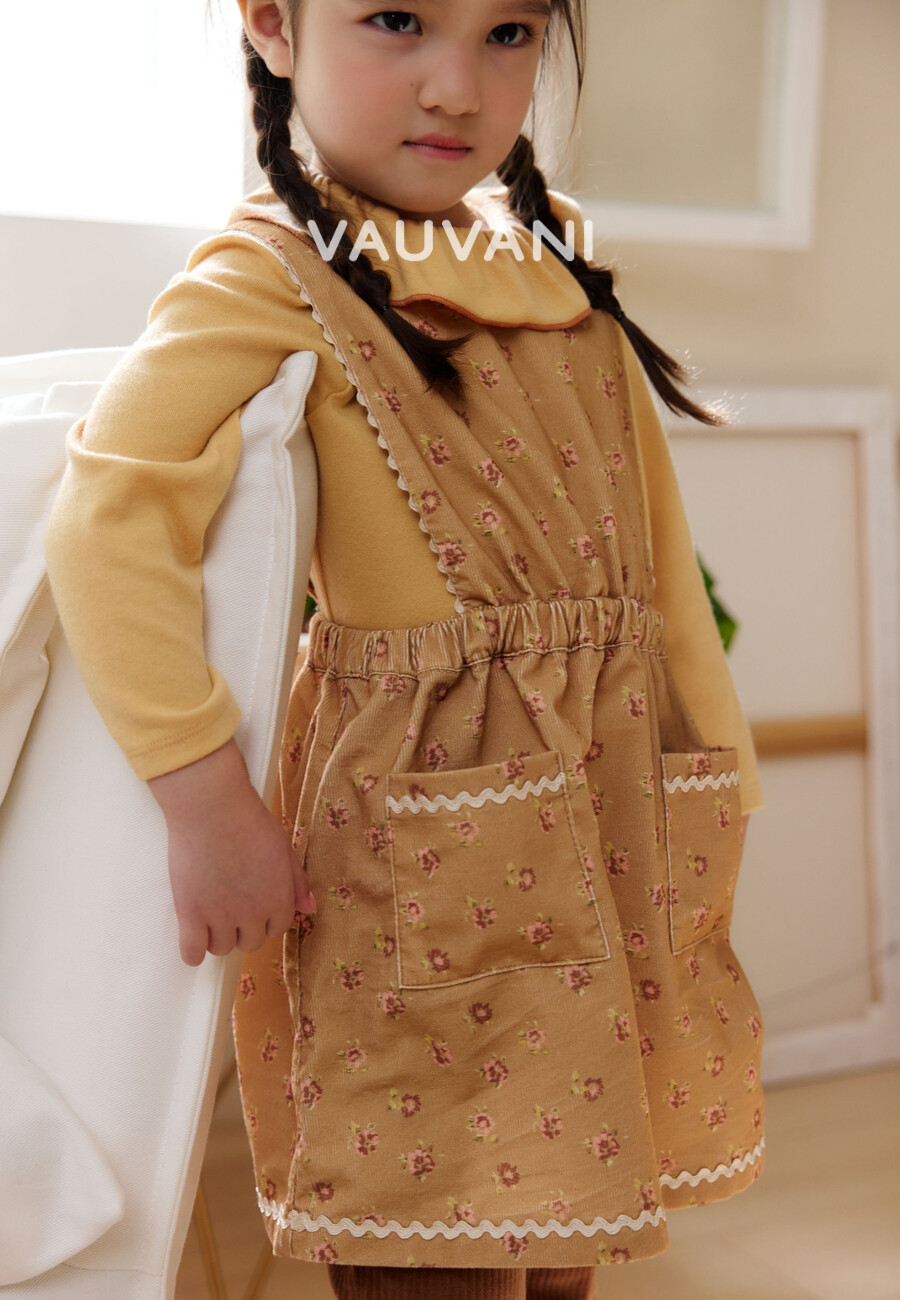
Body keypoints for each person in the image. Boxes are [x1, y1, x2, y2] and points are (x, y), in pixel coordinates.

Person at [42, 1, 767, 1296]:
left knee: (576, 1213)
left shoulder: (552, 259)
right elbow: (109, 518)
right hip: (425, 840)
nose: (456, 86)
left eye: (508, 33)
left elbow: (655, 562)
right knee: (437, 1227)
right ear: (274, 24)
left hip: (609, 808)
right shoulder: (270, 271)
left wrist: (711, 771)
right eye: (398, 21)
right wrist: (205, 799)